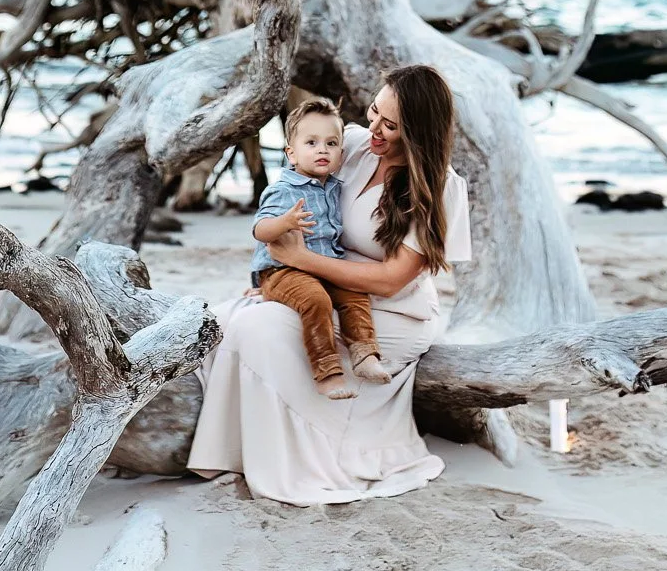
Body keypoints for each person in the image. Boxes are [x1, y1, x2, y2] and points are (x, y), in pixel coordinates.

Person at [187, 64, 470, 505]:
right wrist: (277, 274)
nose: (373, 128)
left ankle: (305, 459)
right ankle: (234, 450)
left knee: (261, 330)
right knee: (233, 318)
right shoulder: (350, 144)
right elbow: (287, 195)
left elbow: (393, 280)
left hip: (390, 312)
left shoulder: (439, 187)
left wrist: (302, 260)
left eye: (390, 126)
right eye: (375, 111)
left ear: (417, 133)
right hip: (320, 282)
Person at [248, 97, 388, 398]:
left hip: (322, 265)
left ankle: (364, 354)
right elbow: (260, 230)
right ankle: (327, 372)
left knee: (354, 294)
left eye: (331, 143)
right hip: (283, 270)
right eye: (311, 142)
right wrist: (285, 222)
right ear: (291, 154)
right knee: (316, 300)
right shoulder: (283, 190)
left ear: (341, 152)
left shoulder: (335, 187)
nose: (322, 149)